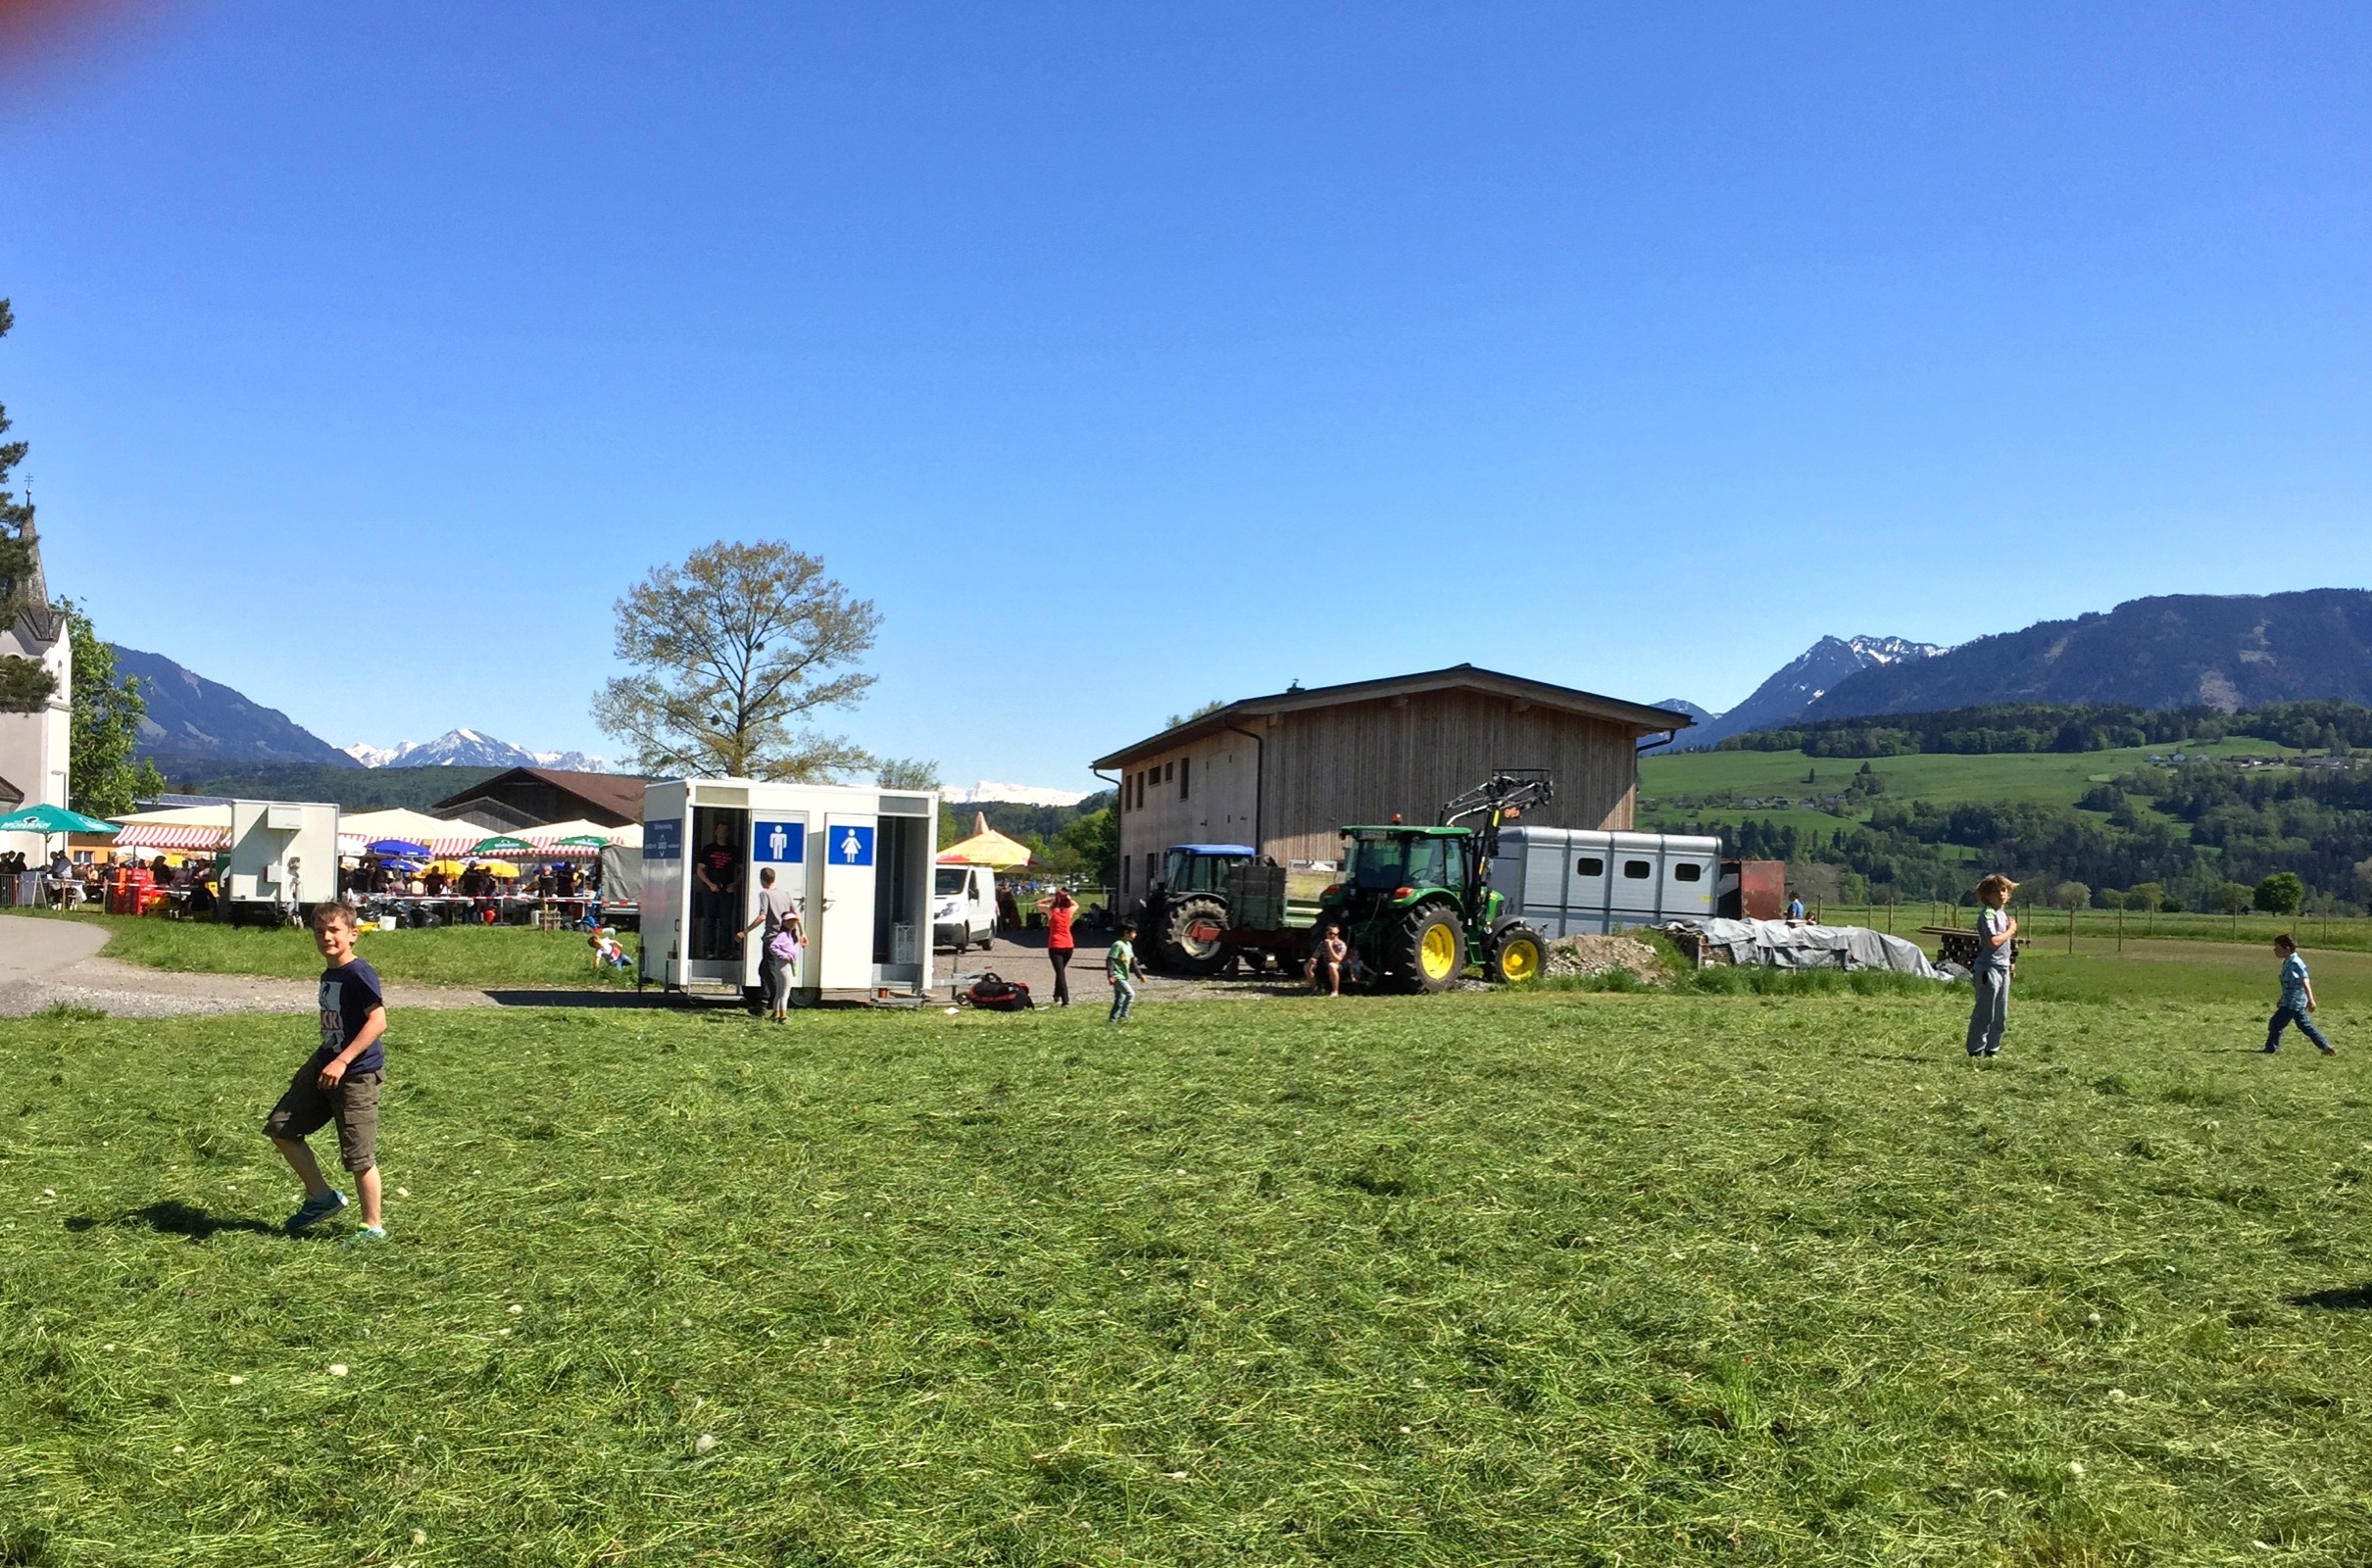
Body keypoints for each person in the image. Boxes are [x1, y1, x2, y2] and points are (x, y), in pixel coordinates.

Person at [264, 903, 390, 1244]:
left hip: (356, 1074)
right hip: (326, 1066)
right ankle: (321, 1198)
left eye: (334, 930)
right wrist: (317, 1063)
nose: (326, 937)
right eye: (320, 931)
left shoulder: (357, 973)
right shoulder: (330, 974)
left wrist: (342, 1061)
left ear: (353, 935)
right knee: (282, 1128)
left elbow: (378, 1021)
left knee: (358, 1156)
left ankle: (372, 1227)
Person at [741, 866, 804, 1021]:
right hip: (785, 937)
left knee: (770, 972)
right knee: (765, 969)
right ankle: (764, 1004)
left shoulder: (765, 894)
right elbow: (796, 915)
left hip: (772, 938)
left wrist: (746, 931)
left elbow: (763, 916)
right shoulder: (785, 894)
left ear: (762, 880)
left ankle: (771, 1007)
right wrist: (803, 933)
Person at [1965, 873, 2018, 1058]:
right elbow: (1993, 941)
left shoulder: (2002, 914)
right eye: (1996, 891)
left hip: (2003, 968)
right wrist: (2011, 931)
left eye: (2004, 890)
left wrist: (2010, 962)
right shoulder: (1988, 913)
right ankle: (1975, 1049)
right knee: (1985, 1011)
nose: (2002, 894)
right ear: (1987, 895)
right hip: (1989, 968)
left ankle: (1992, 1049)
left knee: (2000, 1013)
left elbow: (2004, 946)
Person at [2264, 934, 2338, 1055]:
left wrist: (2311, 999)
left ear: (2287, 948)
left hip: (2293, 1002)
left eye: (2277, 946)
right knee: (2305, 1026)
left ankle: (2270, 1049)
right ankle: (2325, 1046)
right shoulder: (2288, 961)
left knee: (2275, 1023)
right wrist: (2282, 998)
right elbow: (2291, 983)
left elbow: (2304, 980)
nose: (2274, 949)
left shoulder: (2294, 963)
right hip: (2293, 1000)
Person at [694, 821, 742, 960]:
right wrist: (710, 884)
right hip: (711, 890)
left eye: (725, 830)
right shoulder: (708, 849)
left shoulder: (734, 850)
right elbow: (699, 869)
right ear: (715, 832)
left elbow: (743, 870)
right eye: (720, 830)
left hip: (727, 890)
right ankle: (709, 950)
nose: (723, 833)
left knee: (726, 923)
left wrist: (735, 884)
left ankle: (725, 951)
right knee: (710, 921)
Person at [1037, 887, 1077, 1005]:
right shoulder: (1069, 911)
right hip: (1069, 945)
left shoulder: (1051, 911)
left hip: (1055, 946)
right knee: (1060, 971)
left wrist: (1050, 898)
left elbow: (1038, 903)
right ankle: (1056, 994)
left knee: (1060, 973)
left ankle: (1065, 1000)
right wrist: (1068, 898)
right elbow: (1076, 905)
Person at [1108, 918, 1142, 1024]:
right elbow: (1110, 960)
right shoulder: (1118, 945)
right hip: (1118, 977)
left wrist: (1140, 975)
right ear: (1126, 932)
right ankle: (1123, 1017)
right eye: (1134, 932)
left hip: (1124, 976)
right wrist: (1111, 975)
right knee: (1130, 994)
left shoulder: (1128, 945)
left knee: (1119, 1000)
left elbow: (1133, 962)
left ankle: (1112, 1021)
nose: (1135, 934)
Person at [1313, 922, 1349, 996]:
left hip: (1340, 967)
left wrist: (1329, 947)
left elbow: (1337, 960)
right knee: (1307, 966)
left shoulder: (1341, 945)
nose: (1333, 936)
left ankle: (1335, 991)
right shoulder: (1322, 944)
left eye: (1336, 934)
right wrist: (1313, 959)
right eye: (1330, 933)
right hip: (1326, 966)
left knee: (1332, 965)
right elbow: (1315, 955)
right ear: (1326, 933)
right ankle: (1315, 990)